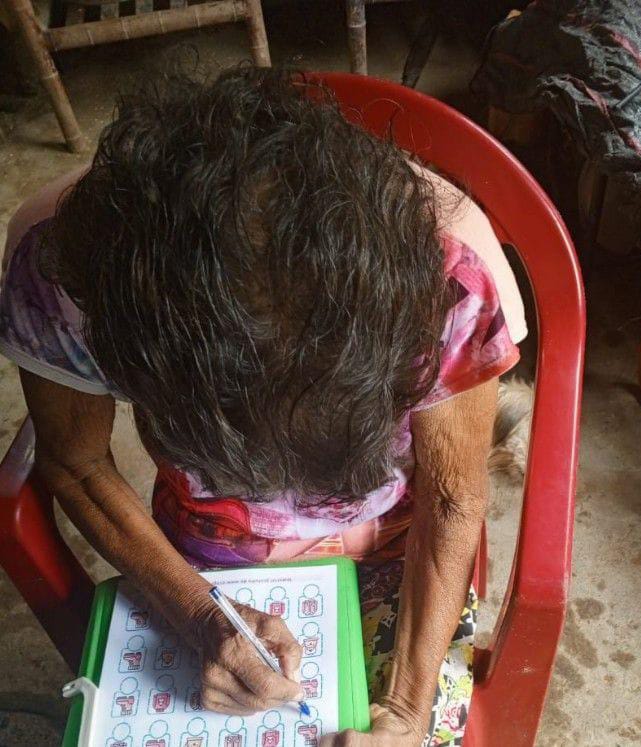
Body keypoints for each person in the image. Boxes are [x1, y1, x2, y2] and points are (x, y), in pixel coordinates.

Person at [0, 67, 526, 746]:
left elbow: (452, 498)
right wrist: (198, 613)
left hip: (396, 539)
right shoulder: (62, 267)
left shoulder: (447, 279)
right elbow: (76, 464)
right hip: (206, 538)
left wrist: (404, 712)